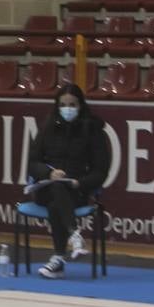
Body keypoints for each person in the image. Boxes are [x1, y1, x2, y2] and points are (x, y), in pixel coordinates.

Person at [27, 84, 111, 279]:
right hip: (46, 188)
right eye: (63, 104)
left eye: (72, 104)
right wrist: (48, 174)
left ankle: (58, 258)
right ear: (57, 106)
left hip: (77, 190)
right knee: (56, 188)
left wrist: (79, 183)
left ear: (81, 105)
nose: (68, 109)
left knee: (59, 198)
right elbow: (32, 163)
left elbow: (101, 171)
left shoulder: (93, 131)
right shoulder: (48, 128)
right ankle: (73, 235)